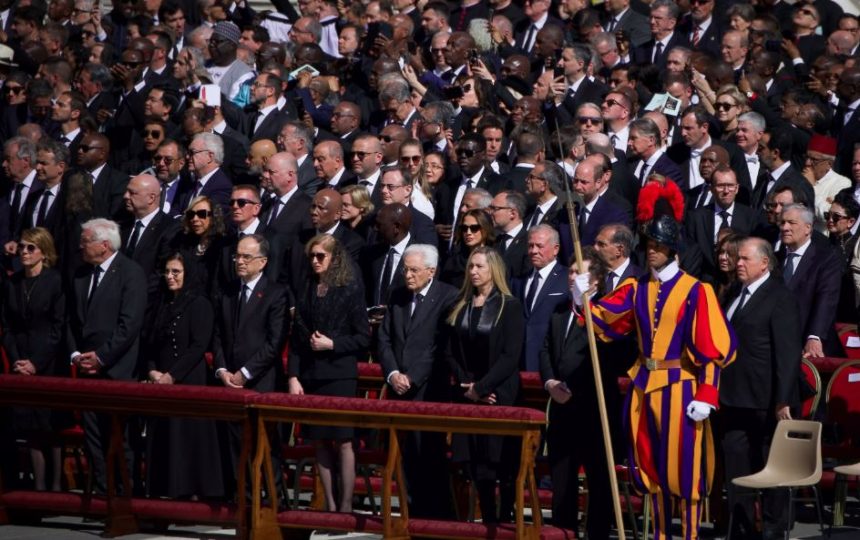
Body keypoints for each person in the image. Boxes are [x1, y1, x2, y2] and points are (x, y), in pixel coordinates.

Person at [572, 210, 737, 540]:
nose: (651, 250)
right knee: (652, 469)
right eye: (649, 244)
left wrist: (707, 393)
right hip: (644, 386)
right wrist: (581, 298)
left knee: (684, 471)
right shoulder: (636, 288)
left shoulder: (696, 290)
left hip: (681, 387)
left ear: (672, 249)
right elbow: (603, 321)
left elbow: (711, 348)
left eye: (658, 245)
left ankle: (689, 536)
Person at [720, 237, 802, 540]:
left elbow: (788, 353)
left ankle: (772, 528)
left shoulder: (780, 297)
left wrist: (783, 399)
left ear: (764, 263)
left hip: (766, 400)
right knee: (736, 462)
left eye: (745, 259)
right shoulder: (734, 293)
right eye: (737, 258)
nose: (738, 263)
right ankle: (740, 527)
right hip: (733, 396)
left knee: (770, 465)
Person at [288, 234, 370, 513]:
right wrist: (293, 376)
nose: (315, 261)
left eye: (320, 256)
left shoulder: (349, 289)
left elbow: (363, 337)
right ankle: (330, 505)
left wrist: (332, 344)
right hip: (311, 374)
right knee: (319, 440)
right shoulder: (307, 287)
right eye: (311, 256)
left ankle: (345, 506)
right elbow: (297, 337)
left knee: (344, 441)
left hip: (340, 374)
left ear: (334, 258)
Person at [539, 247, 616, 539]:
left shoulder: (605, 311)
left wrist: (585, 307)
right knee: (562, 478)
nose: (572, 277)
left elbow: (604, 356)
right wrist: (550, 382)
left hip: (593, 407)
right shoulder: (560, 310)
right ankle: (564, 532)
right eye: (571, 271)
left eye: (579, 273)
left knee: (598, 479)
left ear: (595, 280)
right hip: (561, 405)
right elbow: (546, 348)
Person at [67, 218, 148, 495]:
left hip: (118, 370)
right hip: (86, 371)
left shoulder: (131, 273)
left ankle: (126, 493)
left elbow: (129, 325)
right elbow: (71, 321)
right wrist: (77, 355)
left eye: (85, 241)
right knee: (93, 436)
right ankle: (102, 492)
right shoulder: (81, 274)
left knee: (120, 436)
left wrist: (101, 357)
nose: (80, 246)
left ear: (104, 245)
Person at [377, 243, 458, 518]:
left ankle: (435, 516)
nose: (408, 275)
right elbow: (384, 338)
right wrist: (392, 374)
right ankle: (410, 513)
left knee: (430, 453)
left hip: (429, 388)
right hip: (398, 387)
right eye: (405, 269)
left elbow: (438, 345)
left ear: (431, 271)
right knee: (405, 454)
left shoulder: (448, 296)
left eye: (413, 270)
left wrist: (413, 377)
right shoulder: (398, 294)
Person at [446, 246, 524, 523]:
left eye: (480, 266)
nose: (474, 271)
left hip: (498, 392)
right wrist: (469, 387)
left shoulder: (509, 306)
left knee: (498, 461)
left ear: (494, 270)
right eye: (471, 266)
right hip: (468, 392)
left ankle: (504, 518)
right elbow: (450, 352)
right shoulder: (462, 305)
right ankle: (488, 517)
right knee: (475, 463)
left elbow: (510, 356)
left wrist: (482, 388)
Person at [144, 253, 224, 500]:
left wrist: (172, 376)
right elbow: (150, 341)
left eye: (176, 272)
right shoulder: (161, 302)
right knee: (164, 435)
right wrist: (152, 370)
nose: (170, 277)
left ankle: (188, 491)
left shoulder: (199, 303)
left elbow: (199, 345)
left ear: (187, 274)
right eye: (167, 272)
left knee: (185, 436)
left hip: (188, 378)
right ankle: (163, 490)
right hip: (161, 378)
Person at [1, 228, 65, 492]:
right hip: (21, 356)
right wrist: (17, 360)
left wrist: (36, 362)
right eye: (22, 247)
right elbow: (7, 326)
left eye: (31, 248)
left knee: (49, 423)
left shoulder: (55, 281)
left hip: (47, 360)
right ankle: (38, 487)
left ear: (44, 252)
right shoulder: (13, 282)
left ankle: (56, 485)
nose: (24, 252)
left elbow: (58, 327)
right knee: (29, 425)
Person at [169, 196, 228, 294]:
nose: (195, 219)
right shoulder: (185, 244)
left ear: (213, 216)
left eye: (201, 214)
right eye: (191, 214)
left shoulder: (222, 246)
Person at [439, 208, 495, 286]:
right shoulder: (454, 262)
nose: (468, 232)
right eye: (464, 228)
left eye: (474, 228)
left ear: (485, 229)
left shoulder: (496, 257)